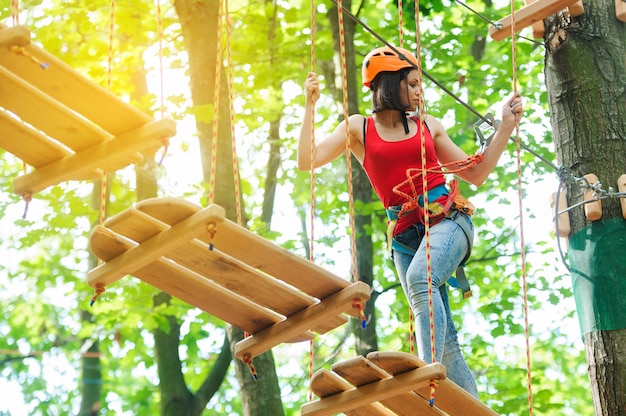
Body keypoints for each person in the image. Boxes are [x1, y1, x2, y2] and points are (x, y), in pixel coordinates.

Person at [297, 45, 523, 397]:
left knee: (421, 280)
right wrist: (310, 105)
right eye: (413, 83)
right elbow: (307, 160)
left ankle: (423, 378)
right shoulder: (359, 128)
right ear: (391, 83)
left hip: (448, 220)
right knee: (445, 340)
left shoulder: (428, 126)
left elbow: (476, 172)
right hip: (405, 238)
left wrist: (506, 127)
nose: (420, 92)